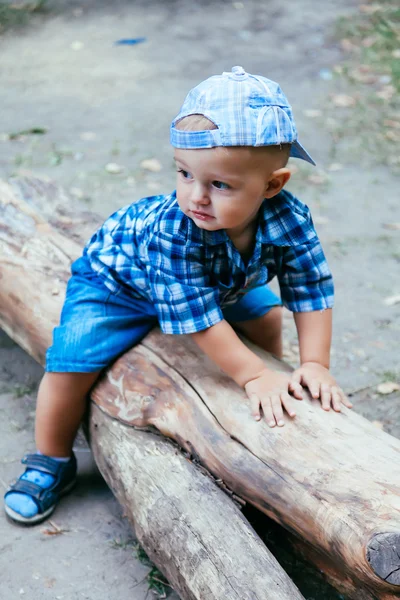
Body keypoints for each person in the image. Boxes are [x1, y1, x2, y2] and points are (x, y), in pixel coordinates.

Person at [4, 66, 352, 525]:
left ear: (272, 186)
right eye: (185, 174)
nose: (196, 197)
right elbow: (201, 319)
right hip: (119, 286)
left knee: (267, 315)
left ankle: (270, 390)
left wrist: (314, 364)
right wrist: (249, 375)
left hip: (219, 284)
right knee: (69, 363)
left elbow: (310, 290)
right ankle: (51, 460)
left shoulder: (290, 218)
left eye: (219, 184)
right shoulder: (175, 229)